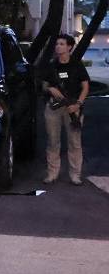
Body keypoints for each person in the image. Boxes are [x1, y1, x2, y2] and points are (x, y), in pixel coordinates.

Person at [42, 33, 89, 185]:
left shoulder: (77, 64)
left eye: (61, 44)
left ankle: (75, 175)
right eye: (57, 44)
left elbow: (85, 86)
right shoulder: (51, 65)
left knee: (74, 143)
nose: (58, 46)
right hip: (54, 108)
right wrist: (51, 90)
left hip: (73, 107)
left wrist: (78, 104)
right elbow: (44, 84)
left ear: (69, 47)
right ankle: (52, 173)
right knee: (53, 141)